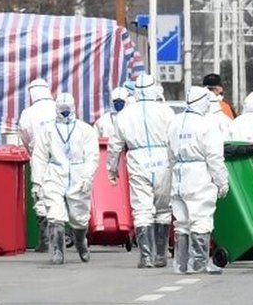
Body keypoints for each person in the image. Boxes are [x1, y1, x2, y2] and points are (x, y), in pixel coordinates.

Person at [108, 73, 176, 268]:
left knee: (142, 208)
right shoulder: (166, 111)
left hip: (138, 160)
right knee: (163, 208)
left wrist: (112, 170)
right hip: (163, 159)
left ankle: (146, 256)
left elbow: (114, 146)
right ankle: (161, 254)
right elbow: (175, 137)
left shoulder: (124, 115)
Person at [31, 93, 99, 265]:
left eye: (67, 109)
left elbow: (92, 156)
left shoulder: (85, 130)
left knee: (79, 216)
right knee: (55, 214)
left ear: (74, 107)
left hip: (78, 175)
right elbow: (39, 157)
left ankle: (81, 242)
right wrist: (37, 182)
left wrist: (87, 176)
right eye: (61, 109)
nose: (65, 112)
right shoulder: (48, 130)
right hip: (54, 173)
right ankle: (57, 251)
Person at [168, 86, 229, 275]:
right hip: (199, 174)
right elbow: (214, 157)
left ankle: (181, 264)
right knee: (201, 218)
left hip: (178, 173)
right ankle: (199, 263)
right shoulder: (207, 124)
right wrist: (222, 181)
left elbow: (169, 152)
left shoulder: (175, 122)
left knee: (182, 221)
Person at [17, 78, 57, 252]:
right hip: (61, 157)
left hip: (39, 157)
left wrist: (32, 152)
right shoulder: (59, 107)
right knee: (61, 193)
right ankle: (63, 234)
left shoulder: (28, 113)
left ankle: (45, 239)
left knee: (40, 193)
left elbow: (24, 135)